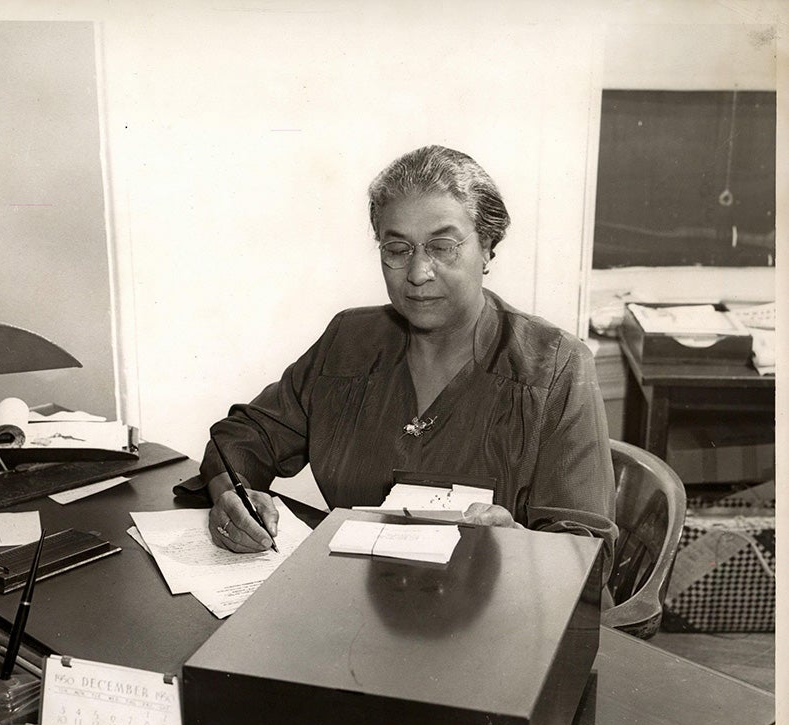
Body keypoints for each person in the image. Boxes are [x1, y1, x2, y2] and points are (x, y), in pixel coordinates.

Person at [193, 144, 616, 575]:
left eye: (443, 246)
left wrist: (515, 547)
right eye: (397, 249)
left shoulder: (554, 365)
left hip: (493, 618)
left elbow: (585, 552)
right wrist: (234, 495)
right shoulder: (351, 341)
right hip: (356, 604)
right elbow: (246, 437)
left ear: (487, 247)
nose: (417, 273)